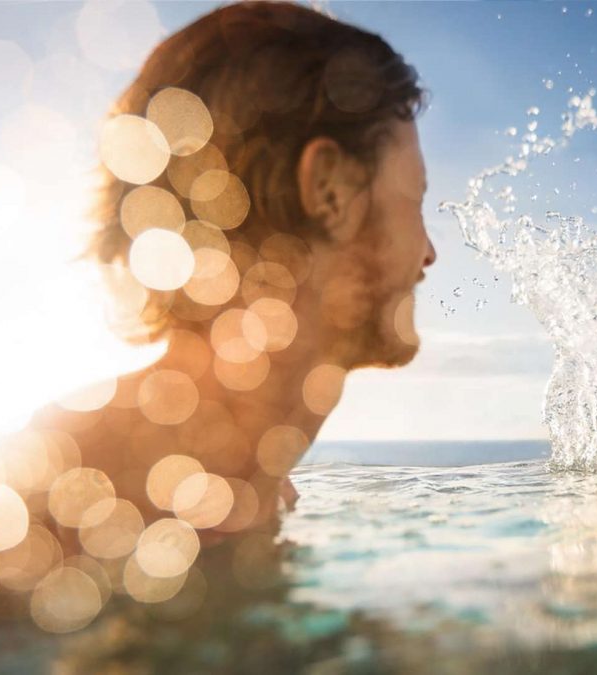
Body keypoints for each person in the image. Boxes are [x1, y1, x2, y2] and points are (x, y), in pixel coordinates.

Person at [31, 1, 435, 535]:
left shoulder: (249, 492)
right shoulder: (66, 500)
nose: (429, 253)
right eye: (415, 202)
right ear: (328, 190)